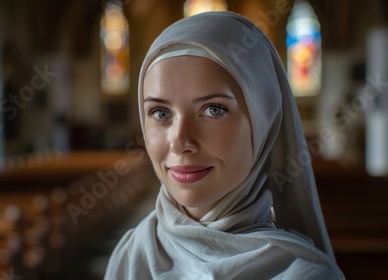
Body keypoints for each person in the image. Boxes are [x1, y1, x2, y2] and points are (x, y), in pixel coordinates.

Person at [104, 11, 344, 279]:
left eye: (213, 110)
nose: (180, 143)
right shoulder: (130, 255)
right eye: (161, 113)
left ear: (263, 122)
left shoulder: (305, 275)